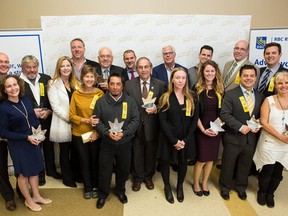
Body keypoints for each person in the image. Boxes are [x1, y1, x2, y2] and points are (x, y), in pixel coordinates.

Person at [0, 75, 52, 212]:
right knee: (23, 174)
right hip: (19, 144)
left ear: (19, 85)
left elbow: (33, 119)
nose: (13, 88)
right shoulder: (4, 108)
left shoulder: (25, 100)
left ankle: (36, 196)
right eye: (9, 86)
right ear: (4, 90)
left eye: (15, 84)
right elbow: (3, 132)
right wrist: (26, 137)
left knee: (34, 170)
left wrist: (40, 133)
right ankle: (28, 201)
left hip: (33, 140)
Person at [93, 73, 140, 209]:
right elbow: (97, 121)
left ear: (122, 86)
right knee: (105, 170)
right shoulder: (100, 102)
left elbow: (135, 120)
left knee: (123, 169)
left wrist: (123, 133)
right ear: (108, 85)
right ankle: (103, 194)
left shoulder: (130, 101)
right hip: (107, 143)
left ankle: (120, 191)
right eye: (112, 84)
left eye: (118, 84)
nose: (114, 87)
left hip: (125, 142)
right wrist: (107, 133)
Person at [219, 65, 264, 201]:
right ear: (240, 77)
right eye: (245, 75)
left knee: (245, 165)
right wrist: (240, 127)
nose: (248, 78)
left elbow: (260, 116)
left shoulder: (260, 96)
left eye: (251, 76)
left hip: (251, 139)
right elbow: (224, 114)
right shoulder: (231, 94)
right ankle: (225, 187)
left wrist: (259, 125)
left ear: (255, 78)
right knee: (228, 164)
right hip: (233, 137)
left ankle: (241, 187)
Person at [124, 57, 166, 192]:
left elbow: (165, 104)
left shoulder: (160, 84)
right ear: (136, 69)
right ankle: (137, 178)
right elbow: (126, 105)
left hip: (152, 125)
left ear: (151, 68)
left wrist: (156, 109)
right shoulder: (129, 84)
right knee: (136, 152)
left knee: (150, 153)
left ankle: (148, 177)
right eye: (140, 67)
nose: (143, 70)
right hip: (135, 126)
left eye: (146, 67)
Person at [158, 67, 199, 203]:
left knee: (183, 162)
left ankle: (180, 186)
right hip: (169, 137)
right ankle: (167, 186)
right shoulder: (165, 97)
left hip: (186, 137)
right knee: (165, 161)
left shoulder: (192, 96)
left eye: (183, 78)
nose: (180, 80)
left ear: (186, 79)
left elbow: (194, 119)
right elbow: (162, 121)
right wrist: (173, 140)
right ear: (172, 80)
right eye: (177, 77)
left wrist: (185, 140)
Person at [20, 55, 61, 186]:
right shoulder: (17, 82)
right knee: (34, 148)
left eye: (34, 67)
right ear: (23, 68)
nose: (31, 70)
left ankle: (51, 170)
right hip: (29, 121)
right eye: (28, 67)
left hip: (45, 118)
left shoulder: (45, 79)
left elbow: (52, 98)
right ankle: (39, 174)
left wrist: (49, 111)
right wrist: (31, 112)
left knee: (49, 146)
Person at [253, 71, 288, 208]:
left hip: (285, 145)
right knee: (267, 170)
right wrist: (280, 136)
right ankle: (262, 192)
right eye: (280, 83)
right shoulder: (269, 100)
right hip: (269, 142)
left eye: (286, 82)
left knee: (278, 172)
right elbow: (264, 122)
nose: (283, 86)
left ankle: (270, 194)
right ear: (275, 85)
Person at [69, 65, 104, 199]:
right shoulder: (76, 94)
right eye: (86, 76)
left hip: (95, 134)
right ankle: (88, 187)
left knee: (95, 161)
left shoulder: (100, 94)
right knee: (84, 162)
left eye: (91, 76)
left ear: (95, 78)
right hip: (79, 134)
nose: (89, 79)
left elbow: (104, 115)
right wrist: (86, 120)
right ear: (81, 78)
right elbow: (72, 115)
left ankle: (96, 186)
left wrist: (97, 131)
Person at [47, 56, 80, 188]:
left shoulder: (77, 83)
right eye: (63, 66)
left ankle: (77, 175)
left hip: (77, 124)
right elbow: (55, 107)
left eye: (68, 65)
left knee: (77, 151)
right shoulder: (52, 83)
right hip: (63, 122)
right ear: (58, 68)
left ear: (72, 68)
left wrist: (78, 119)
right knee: (64, 152)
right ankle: (67, 178)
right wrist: (71, 119)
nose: (66, 68)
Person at [193, 60, 224, 197]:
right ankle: (195, 183)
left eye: (212, 71)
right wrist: (203, 129)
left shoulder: (220, 90)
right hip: (201, 128)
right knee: (201, 159)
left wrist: (216, 128)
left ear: (216, 72)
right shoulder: (197, 90)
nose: (210, 73)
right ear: (203, 73)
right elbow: (195, 113)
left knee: (211, 158)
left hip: (216, 128)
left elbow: (223, 113)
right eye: (207, 71)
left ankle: (204, 182)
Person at [0, 52, 16, 211]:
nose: (3, 64)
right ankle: (8, 196)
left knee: (20, 163)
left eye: (6, 61)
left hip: (16, 132)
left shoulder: (13, 81)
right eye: (0, 62)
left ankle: (23, 191)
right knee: (1, 166)